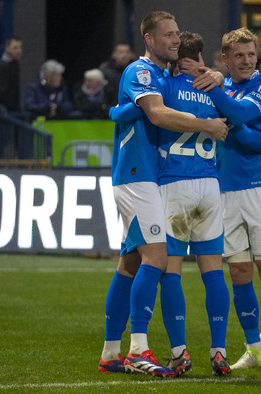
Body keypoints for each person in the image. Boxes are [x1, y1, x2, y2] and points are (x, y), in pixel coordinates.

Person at [98, 10, 227, 377]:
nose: (174, 39)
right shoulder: (141, 71)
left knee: (131, 264)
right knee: (157, 258)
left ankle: (110, 353)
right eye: (167, 34)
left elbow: (130, 110)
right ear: (149, 40)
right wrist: (208, 125)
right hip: (138, 177)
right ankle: (138, 349)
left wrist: (215, 74)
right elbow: (155, 114)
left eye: (176, 35)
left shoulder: (161, 75)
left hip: (147, 177)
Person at [185, 27, 261, 373]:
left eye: (251, 54)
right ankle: (253, 347)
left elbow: (245, 122)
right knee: (239, 271)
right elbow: (244, 129)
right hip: (226, 189)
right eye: (240, 56)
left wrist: (227, 115)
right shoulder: (222, 88)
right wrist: (220, 96)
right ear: (226, 59)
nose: (247, 61)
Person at [0, 35, 23, 112]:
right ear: (7, 48)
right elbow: (0, 94)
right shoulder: (2, 67)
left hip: (14, 112)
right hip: (5, 115)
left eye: (20, 47)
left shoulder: (15, 65)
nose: (19, 51)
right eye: (15, 48)